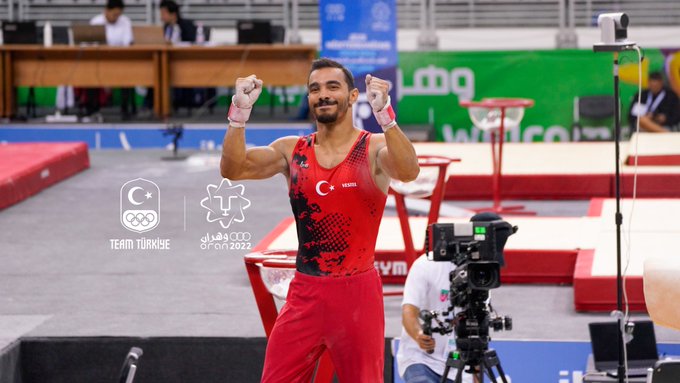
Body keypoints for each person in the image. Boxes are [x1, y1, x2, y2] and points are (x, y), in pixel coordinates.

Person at [220, 58, 420, 382]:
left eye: (332, 87)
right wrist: (238, 114)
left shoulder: (373, 149)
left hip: (358, 296)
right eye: (315, 89)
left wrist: (386, 117)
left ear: (353, 96)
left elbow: (409, 171)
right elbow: (233, 169)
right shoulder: (292, 151)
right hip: (306, 294)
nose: (322, 95)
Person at [397, 254, 474, 383]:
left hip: (459, 361)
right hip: (421, 358)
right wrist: (418, 335)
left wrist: (476, 371)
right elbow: (408, 311)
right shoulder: (425, 264)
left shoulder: (481, 270)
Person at [87, 0, 135, 120]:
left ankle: (125, 109)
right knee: (89, 74)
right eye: (114, 15)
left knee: (128, 73)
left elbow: (127, 43)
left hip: (119, 60)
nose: (116, 18)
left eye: (118, 15)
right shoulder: (95, 22)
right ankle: (93, 110)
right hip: (99, 60)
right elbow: (90, 44)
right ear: (106, 11)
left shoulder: (125, 22)